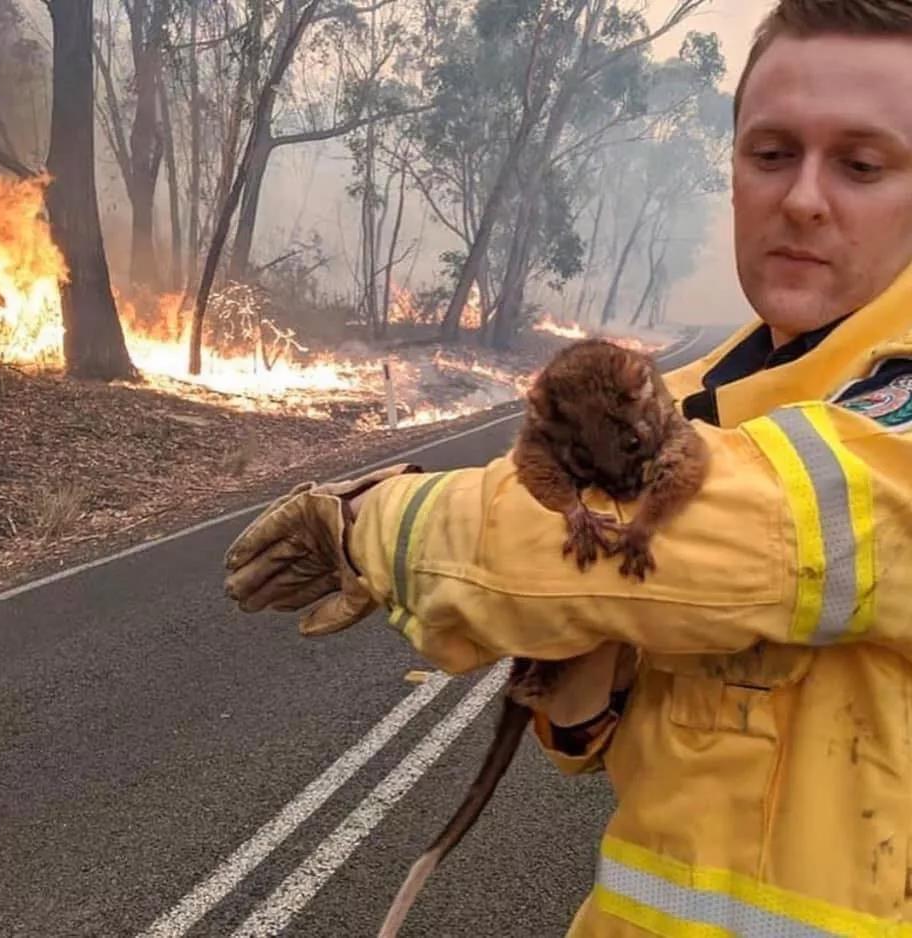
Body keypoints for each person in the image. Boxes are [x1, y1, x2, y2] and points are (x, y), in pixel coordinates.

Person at [224, 1, 912, 934]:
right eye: (772, 153)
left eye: (862, 165)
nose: (802, 198)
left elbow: (734, 526)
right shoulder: (693, 393)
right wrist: (588, 689)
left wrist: (373, 524)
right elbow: (636, 726)